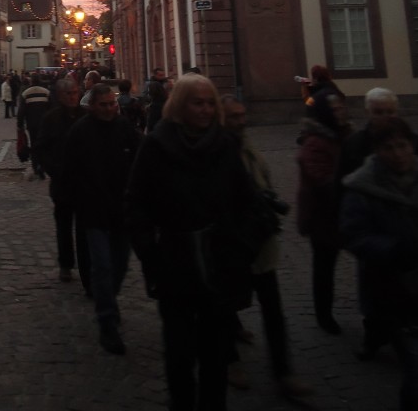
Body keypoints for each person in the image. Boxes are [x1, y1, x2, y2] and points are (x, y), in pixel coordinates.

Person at [126, 72, 263, 411]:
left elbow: (247, 201)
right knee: (179, 350)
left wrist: (242, 247)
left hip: (220, 262)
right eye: (197, 103)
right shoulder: (157, 145)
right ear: (179, 106)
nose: (205, 110)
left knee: (216, 351)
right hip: (175, 263)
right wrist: (151, 255)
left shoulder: (224, 145)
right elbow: (137, 204)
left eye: (209, 103)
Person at [221, 96, 312, 399]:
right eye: (233, 117)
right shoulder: (215, 152)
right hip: (232, 244)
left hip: (261, 242)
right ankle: (230, 360)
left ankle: (283, 371)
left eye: (242, 115)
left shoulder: (251, 151)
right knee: (225, 303)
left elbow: (266, 184)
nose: (240, 121)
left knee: (273, 307)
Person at [341, 118, 418, 410]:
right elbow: (353, 236)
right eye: (389, 148)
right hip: (395, 296)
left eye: (402, 145)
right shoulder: (362, 187)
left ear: (412, 145)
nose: (398, 154)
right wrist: (393, 249)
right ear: (377, 150)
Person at [64, 83, 140, 355]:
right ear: (92, 106)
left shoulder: (124, 128)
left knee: (120, 265)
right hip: (93, 211)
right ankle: (107, 321)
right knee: (103, 266)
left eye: (112, 104)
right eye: (104, 105)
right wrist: (79, 199)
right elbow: (69, 170)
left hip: (121, 211)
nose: (109, 109)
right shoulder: (80, 132)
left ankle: (109, 299)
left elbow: (140, 158)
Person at [296, 85, 350, 334]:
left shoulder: (342, 134)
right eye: (335, 109)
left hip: (340, 214)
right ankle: (324, 314)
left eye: (341, 107)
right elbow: (321, 179)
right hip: (322, 216)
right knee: (324, 267)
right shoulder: (315, 143)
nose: (341, 111)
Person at [35, 77, 90, 287]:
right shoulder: (51, 119)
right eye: (68, 94)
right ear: (60, 96)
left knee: (84, 229)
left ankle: (86, 268)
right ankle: (66, 264)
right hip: (62, 183)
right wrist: (54, 170)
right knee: (64, 227)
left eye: (75, 93)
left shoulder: (87, 116)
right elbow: (41, 148)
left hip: (85, 182)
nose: (73, 97)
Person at [17, 72, 51, 179]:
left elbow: (21, 111)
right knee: (44, 144)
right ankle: (43, 165)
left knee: (34, 144)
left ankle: (35, 166)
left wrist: (20, 124)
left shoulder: (26, 93)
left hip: (32, 124)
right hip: (44, 124)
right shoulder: (46, 92)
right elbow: (51, 108)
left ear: (31, 81)